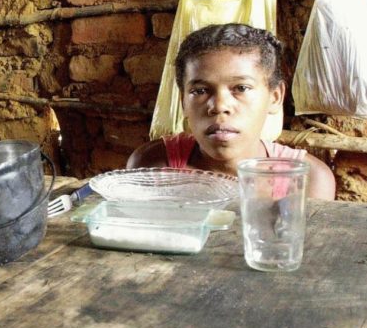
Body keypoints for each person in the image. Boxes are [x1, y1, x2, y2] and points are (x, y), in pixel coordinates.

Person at [127, 23, 336, 200]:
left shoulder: (307, 180)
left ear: (275, 97)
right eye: (200, 91)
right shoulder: (152, 166)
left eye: (241, 88)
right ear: (183, 101)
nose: (219, 106)